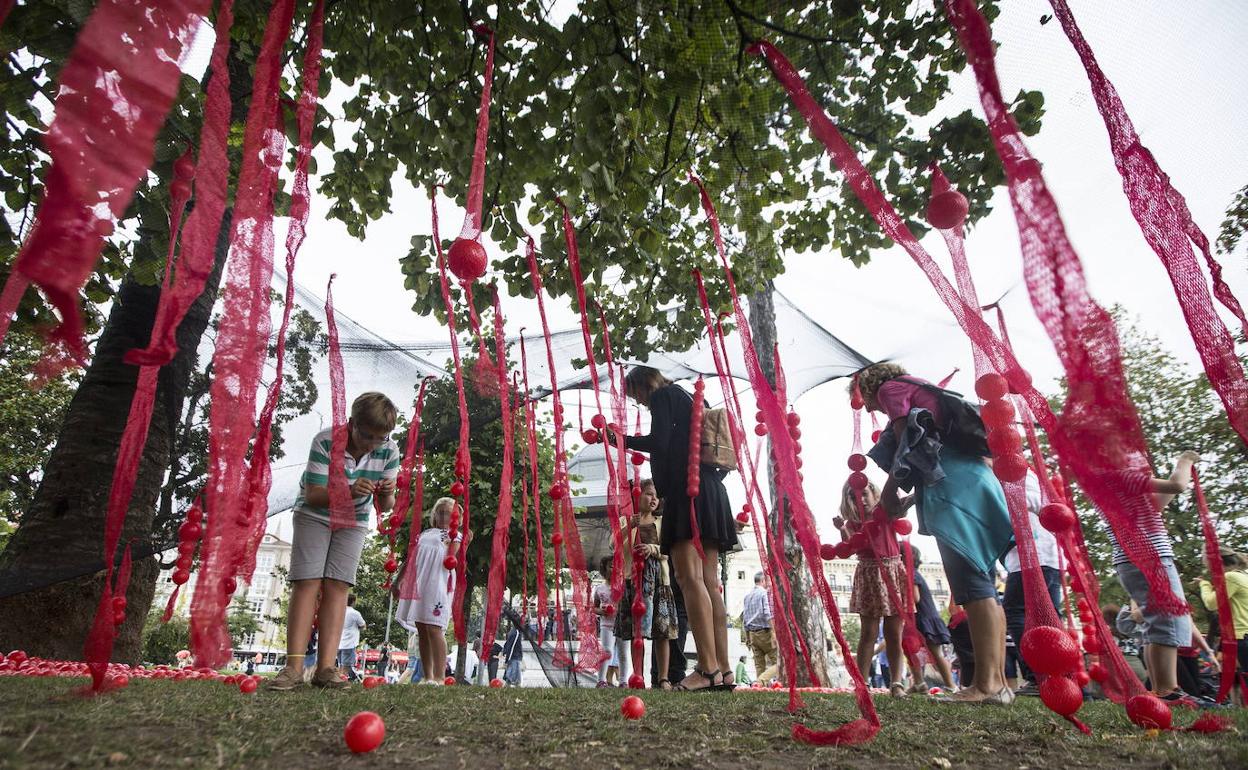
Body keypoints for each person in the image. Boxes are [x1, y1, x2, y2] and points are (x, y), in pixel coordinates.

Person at [858, 363, 1014, 705]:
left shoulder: (891, 388)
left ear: (869, 386)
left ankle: (986, 685)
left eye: (864, 399)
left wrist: (888, 496)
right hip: (974, 481)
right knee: (985, 581)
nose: (870, 408)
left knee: (971, 582)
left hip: (953, 490)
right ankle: (999, 683)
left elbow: (908, 446)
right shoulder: (925, 390)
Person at [267, 392, 400, 690]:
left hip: (354, 520)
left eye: (381, 437)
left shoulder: (389, 450)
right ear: (352, 423)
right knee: (308, 582)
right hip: (315, 514)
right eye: (367, 435)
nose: (372, 444)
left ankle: (326, 668)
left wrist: (386, 492)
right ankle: (293, 667)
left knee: (338, 585)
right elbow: (313, 494)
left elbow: (388, 505)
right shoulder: (325, 441)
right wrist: (349, 491)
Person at [622, 367, 738, 692]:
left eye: (637, 395)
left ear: (644, 386)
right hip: (711, 489)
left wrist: (620, 439)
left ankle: (707, 669)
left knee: (690, 579)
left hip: (689, 493)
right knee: (710, 584)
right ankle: (724, 669)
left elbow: (659, 443)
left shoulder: (663, 396)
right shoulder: (689, 397)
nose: (641, 402)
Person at [1105, 450, 1205, 706]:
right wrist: (1185, 460)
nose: (1145, 465)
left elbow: (1158, 502)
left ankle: (1161, 689)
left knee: (1155, 622)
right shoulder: (1122, 477)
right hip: (1150, 558)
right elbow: (1177, 485)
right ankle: (1167, 690)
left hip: (1134, 560)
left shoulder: (1110, 482)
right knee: (1167, 619)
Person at [836, 479, 907, 697]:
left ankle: (897, 683)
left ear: (874, 493)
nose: (861, 499)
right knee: (869, 632)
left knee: (894, 633)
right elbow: (850, 548)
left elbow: (904, 503)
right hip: (868, 574)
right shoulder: (851, 523)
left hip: (892, 571)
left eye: (865, 493)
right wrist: (842, 529)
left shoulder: (883, 511)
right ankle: (862, 683)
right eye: (853, 496)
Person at [614, 479, 680, 689]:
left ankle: (663, 678)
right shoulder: (626, 521)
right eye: (649, 494)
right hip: (633, 583)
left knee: (662, 632)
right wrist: (629, 527)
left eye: (656, 496)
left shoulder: (662, 522)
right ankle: (637, 676)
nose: (654, 499)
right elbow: (613, 544)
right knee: (636, 633)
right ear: (638, 495)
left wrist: (653, 549)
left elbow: (669, 549)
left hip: (659, 582)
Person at [1001, 471, 1062, 695]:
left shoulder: (1016, 471)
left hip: (1033, 555)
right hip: (1040, 554)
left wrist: (1003, 497)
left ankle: (1037, 675)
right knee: (1050, 615)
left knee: (1017, 612)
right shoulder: (1017, 472)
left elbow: (1037, 503)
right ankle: (1059, 675)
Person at [395, 497, 463, 685]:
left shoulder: (454, 535)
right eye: (440, 512)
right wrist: (398, 581)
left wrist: (453, 538)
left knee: (434, 628)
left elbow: (452, 553)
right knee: (422, 629)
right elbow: (411, 559)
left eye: (449, 513)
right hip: (420, 584)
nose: (443, 516)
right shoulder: (424, 535)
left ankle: (440, 676)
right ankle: (428, 675)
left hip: (438, 584)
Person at [1199, 547, 1248, 691]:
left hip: (1240, 637)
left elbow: (1211, 603)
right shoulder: (1243, 576)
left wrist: (1204, 585)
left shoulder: (1231, 577)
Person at [910, 548, 957, 691]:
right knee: (912, 652)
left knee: (936, 653)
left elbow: (915, 597)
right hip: (921, 618)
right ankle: (919, 683)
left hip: (925, 619)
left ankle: (950, 685)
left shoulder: (911, 574)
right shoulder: (913, 573)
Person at [742, 572, 778, 685]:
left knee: (759, 665)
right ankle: (760, 681)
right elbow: (768, 613)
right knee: (780, 662)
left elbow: (745, 618)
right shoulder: (764, 594)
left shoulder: (747, 596)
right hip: (765, 633)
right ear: (763, 581)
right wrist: (773, 633)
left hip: (752, 634)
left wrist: (747, 638)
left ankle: (761, 688)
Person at [594, 557, 624, 687]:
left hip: (623, 623)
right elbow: (594, 607)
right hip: (607, 624)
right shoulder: (600, 588)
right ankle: (601, 680)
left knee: (624, 652)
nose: (614, 570)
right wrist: (602, 611)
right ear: (604, 569)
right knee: (607, 650)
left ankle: (624, 681)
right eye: (611, 566)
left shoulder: (624, 587)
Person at [338, 595, 367, 682]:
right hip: (349, 644)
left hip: (338, 643)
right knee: (346, 667)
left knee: (340, 665)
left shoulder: (339, 611)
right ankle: (342, 683)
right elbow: (363, 626)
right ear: (353, 602)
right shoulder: (355, 613)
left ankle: (339, 680)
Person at [502, 621, 524, 686]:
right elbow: (512, 646)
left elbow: (507, 644)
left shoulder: (513, 632)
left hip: (513, 657)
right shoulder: (516, 633)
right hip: (514, 657)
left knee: (510, 677)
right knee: (514, 678)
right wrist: (507, 659)